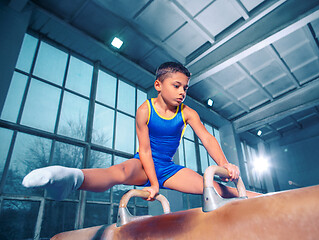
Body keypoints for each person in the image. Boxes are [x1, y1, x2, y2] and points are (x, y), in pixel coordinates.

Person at [22, 62, 260, 201]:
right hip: (144, 164)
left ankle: (262, 198)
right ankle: (70, 178)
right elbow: (145, 151)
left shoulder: (187, 112)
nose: (182, 92)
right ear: (158, 85)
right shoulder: (144, 111)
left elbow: (207, 138)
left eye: (185, 88)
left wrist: (225, 163)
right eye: (176, 86)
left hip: (169, 168)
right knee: (118, 173)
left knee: (216, 189)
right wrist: (154, 185)